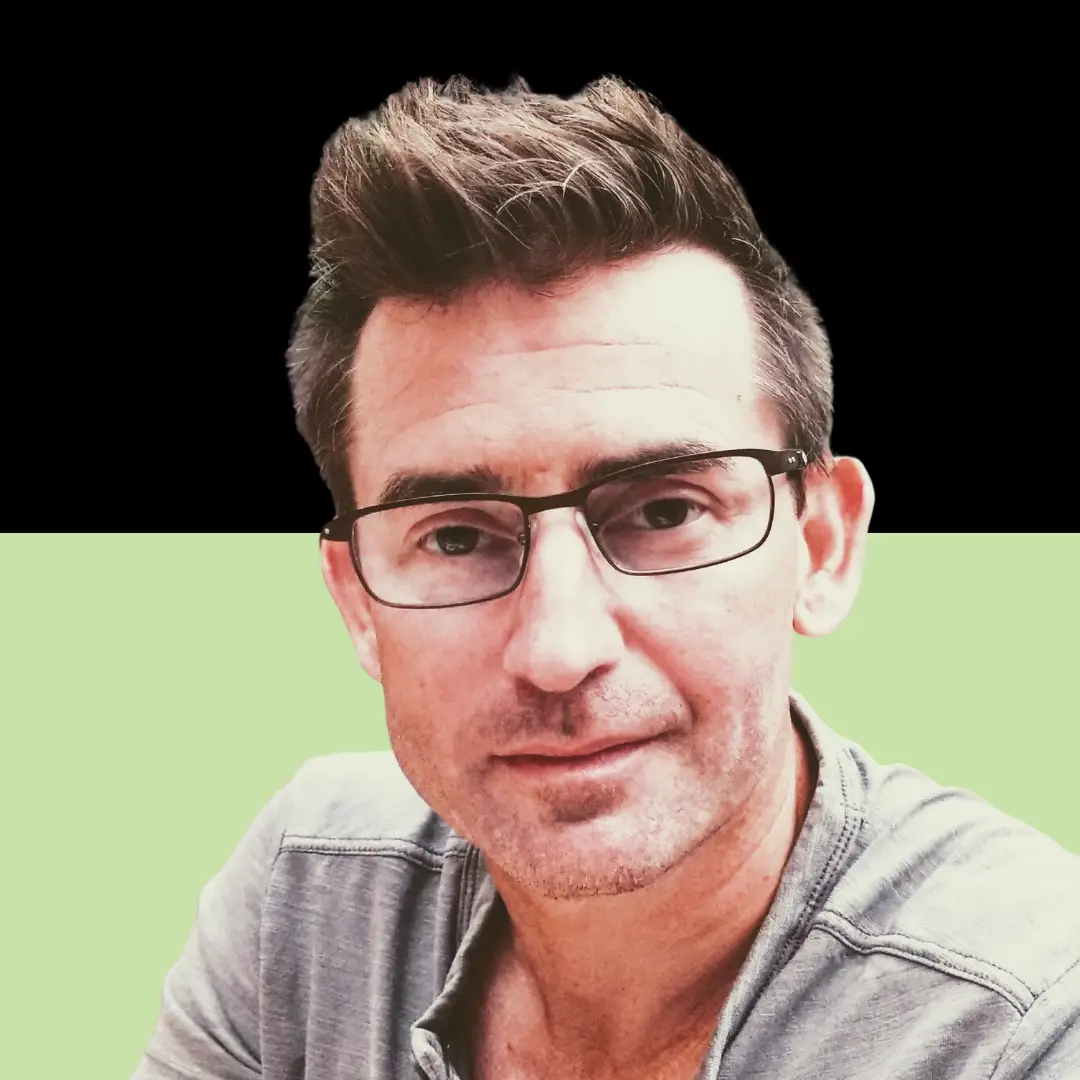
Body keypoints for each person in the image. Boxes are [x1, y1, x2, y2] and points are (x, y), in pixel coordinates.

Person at [134, 76, 1079, 1080]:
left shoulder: (1029, 1021)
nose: (559, 648)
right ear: (358, 599)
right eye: (456, 537)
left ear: (824, 542)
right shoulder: (306, 899)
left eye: (665, 512)